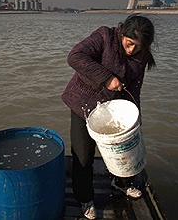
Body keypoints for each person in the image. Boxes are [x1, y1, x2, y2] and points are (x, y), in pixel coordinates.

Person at [61, 14, 156, 219]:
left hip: (114, 109)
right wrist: (107, 78)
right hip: (83, 105)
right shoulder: (105, 36)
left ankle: (121, 182)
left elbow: (135, 89)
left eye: (137, 47)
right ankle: (85, 198)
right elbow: (75, 56)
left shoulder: (142, 56)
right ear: (122, 33)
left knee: (124, 148)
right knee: (83, 156)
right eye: (129, 44)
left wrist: (136, 119)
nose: (132, 50)